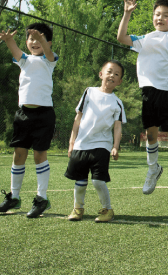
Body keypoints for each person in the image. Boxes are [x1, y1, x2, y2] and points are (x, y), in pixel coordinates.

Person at [116, 0, 168, 202]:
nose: (160, 18)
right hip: (148, 93)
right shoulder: (144, 39)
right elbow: (121, 37)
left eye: (166, 15)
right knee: (150, 136)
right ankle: (153, 169)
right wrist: (127, 13)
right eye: (157, 14)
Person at [0, 23, 58, 218]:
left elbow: (48, 52)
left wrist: (42, 39)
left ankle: (42, 198)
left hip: (44, 115)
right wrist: (8, 40)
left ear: (48, 42)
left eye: (40, 39)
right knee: (19, 154)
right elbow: (15, 50)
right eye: (31, 39)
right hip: (23, 115)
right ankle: (14, 196)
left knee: (39, 155)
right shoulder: (24, 60)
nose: (35, 42)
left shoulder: (50, 60)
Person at [65, 60, 126, 223]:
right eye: (109, 71)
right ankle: (78, 208)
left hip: (102, 145)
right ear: (101, 74)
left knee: (98, 180)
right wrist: (72, 142)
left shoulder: (117, 103)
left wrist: (115, 147)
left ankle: (107, 209)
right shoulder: (89, 92)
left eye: (116, 74)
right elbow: (78, 118)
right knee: (80, 180)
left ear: (119, 81)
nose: (112, 75)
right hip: (81, 144)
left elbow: (117, 127)